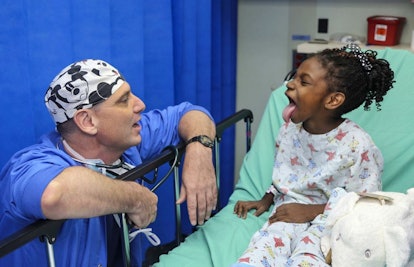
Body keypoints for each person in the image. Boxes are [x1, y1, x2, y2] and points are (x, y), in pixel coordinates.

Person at [0, 59, 217, 266]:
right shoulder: (26, 167)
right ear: (87, 121)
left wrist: (199, 150)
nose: (140, 105)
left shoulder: (126, 142)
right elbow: (54, 194)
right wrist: (134, 198)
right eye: (124, 100)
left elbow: (189, 113)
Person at [231, 43, 395, 267]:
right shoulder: (289, 129)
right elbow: (286, 175)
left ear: (332, 100)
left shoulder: (358, 145)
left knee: (309, 259)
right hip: (286, 214)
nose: (289, 84)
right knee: (257, 255)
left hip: (331, 224)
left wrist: (311, 211)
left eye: (303, 81)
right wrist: (266, 199)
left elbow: (364, 205)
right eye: (294, 77)